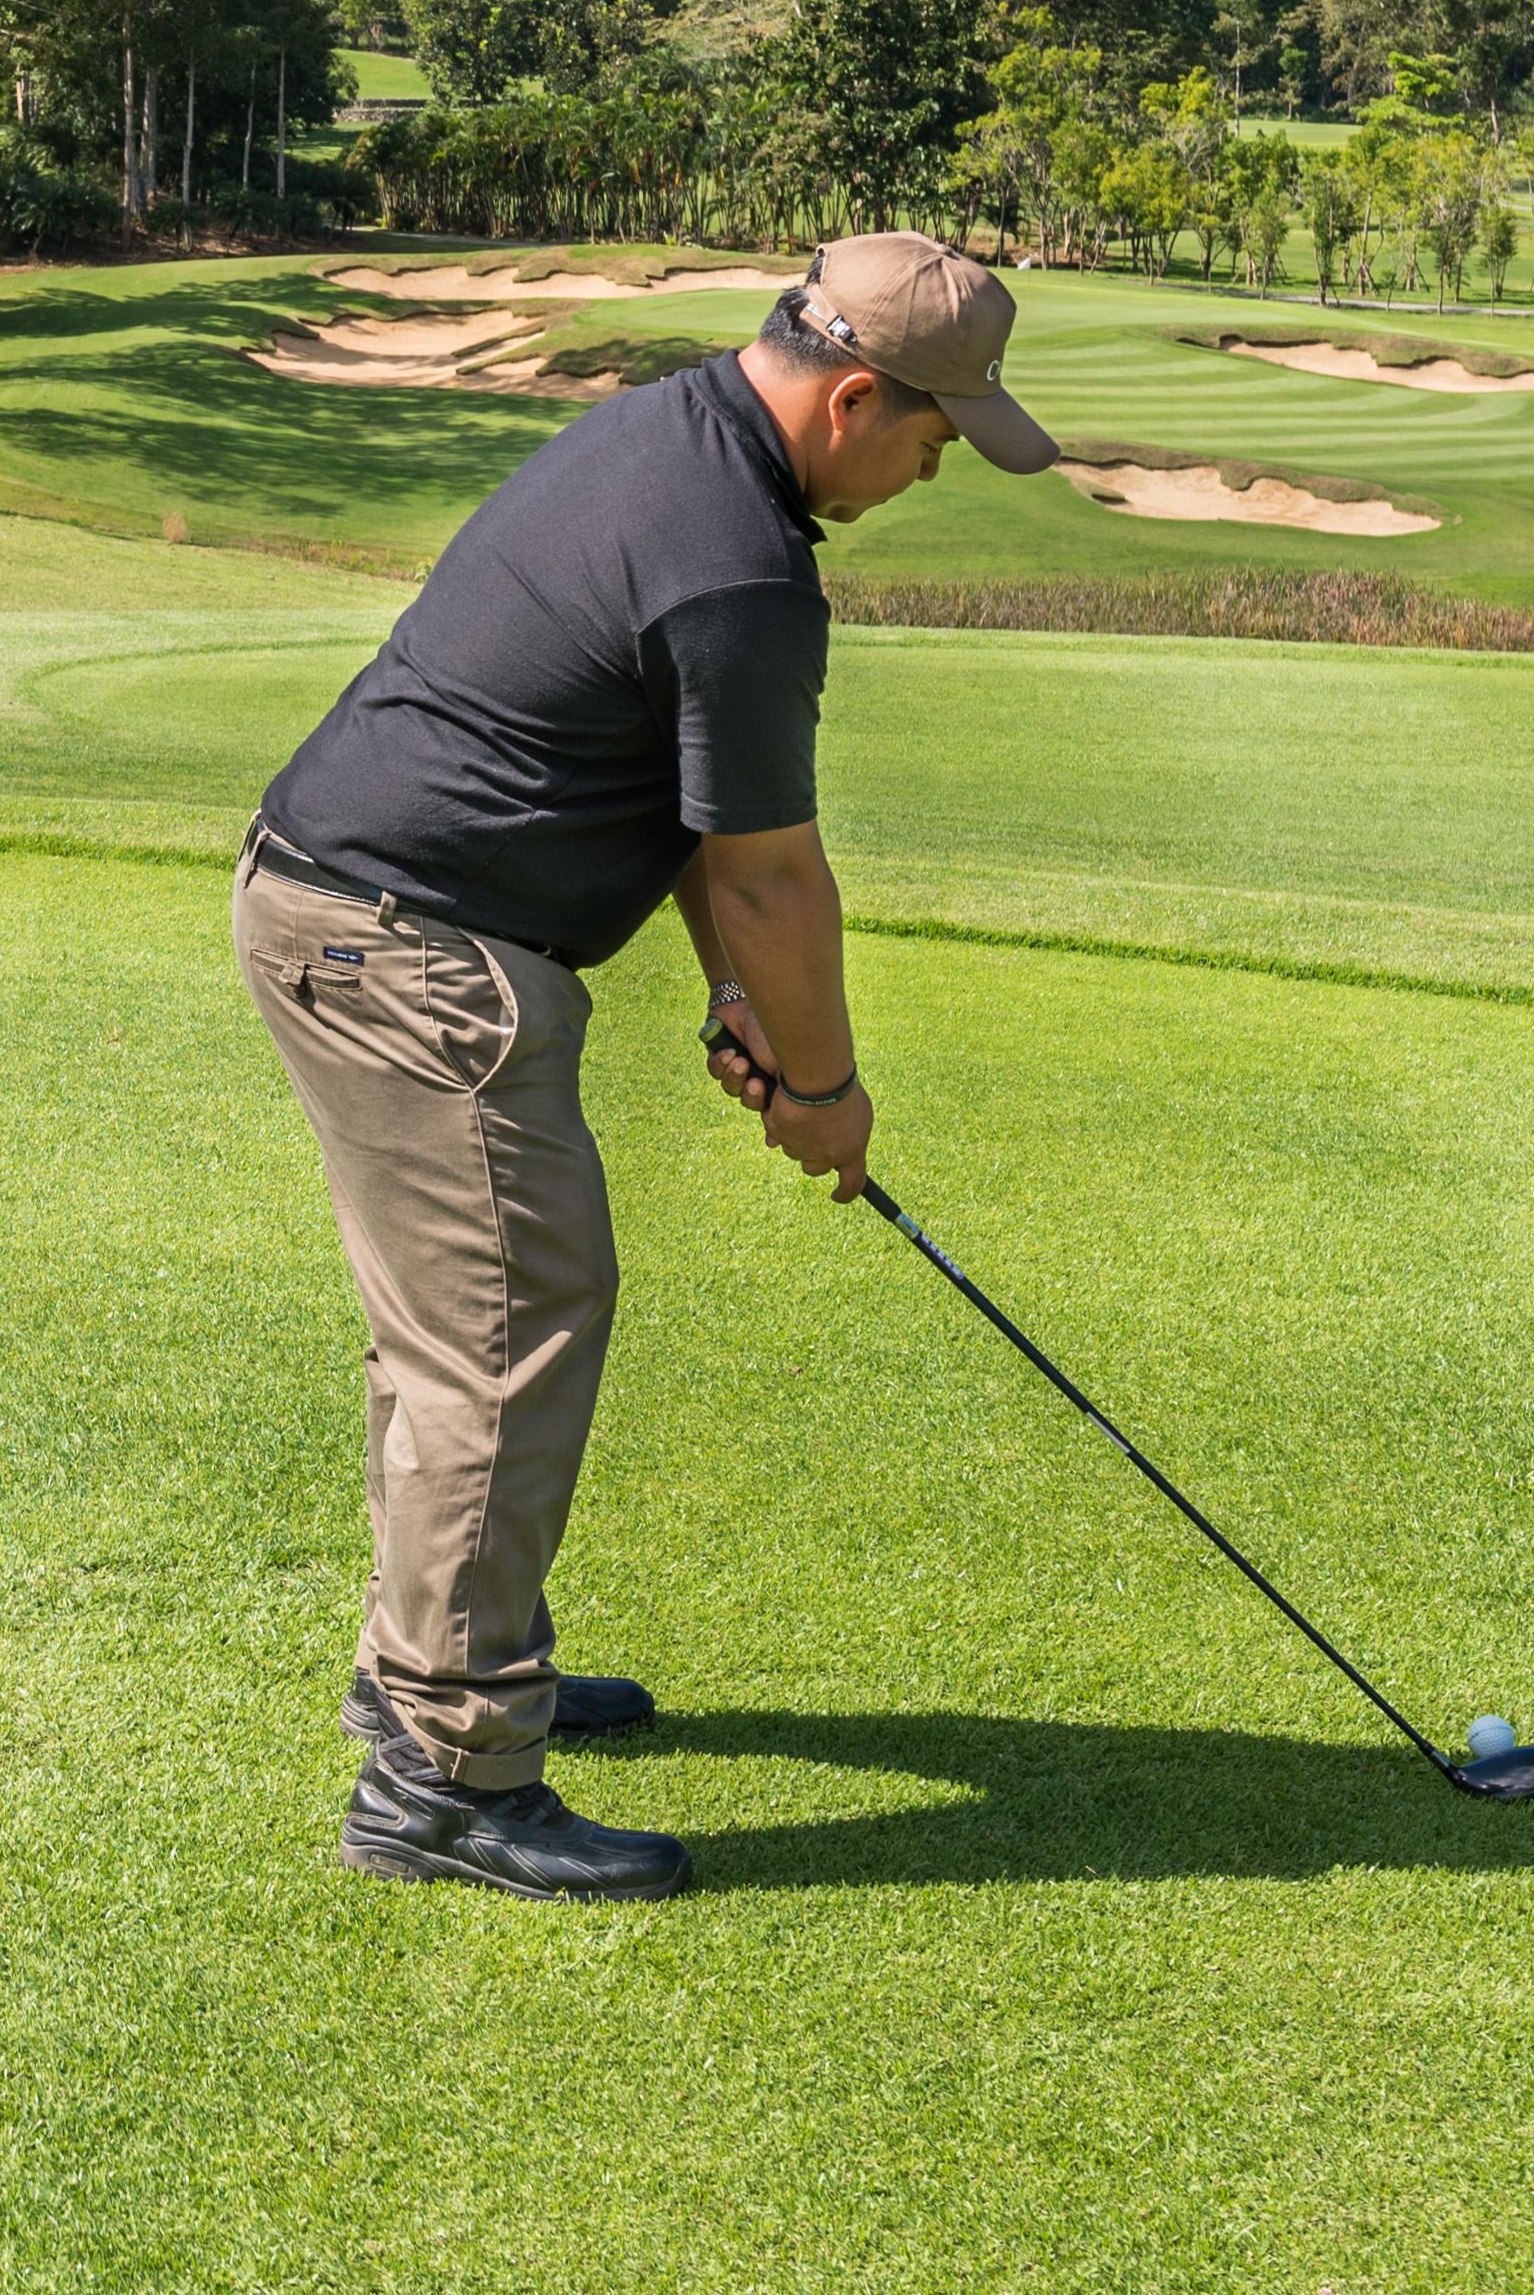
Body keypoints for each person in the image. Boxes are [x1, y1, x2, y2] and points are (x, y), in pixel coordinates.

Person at [230, 231, 1061, 1898]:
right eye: (934, 434)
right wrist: (822, 1092)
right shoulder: (743, 564)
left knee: (452, 1325)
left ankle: (445, 1661)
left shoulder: (674, 429)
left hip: (339, 907)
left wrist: (735, 1003)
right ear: (849, 396)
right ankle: (447, 1771)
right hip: (409, 944)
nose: (933, 465)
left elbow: (683, 809)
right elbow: (767, 869)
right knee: (507, 1322)